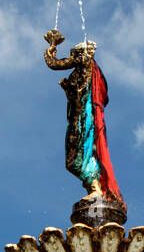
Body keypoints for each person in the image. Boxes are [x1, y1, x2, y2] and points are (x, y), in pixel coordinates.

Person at [44, 29, 124, 206]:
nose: (72, 56)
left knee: (79, 153)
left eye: (74, 53)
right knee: (82, 152)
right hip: (84, 114)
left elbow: (54, 64)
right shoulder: (90, 69)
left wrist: (52, 46)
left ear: (80, 52)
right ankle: (95, 187)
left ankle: (95, 187)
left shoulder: (83, 59)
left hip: (83, 116)